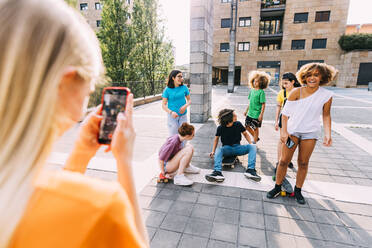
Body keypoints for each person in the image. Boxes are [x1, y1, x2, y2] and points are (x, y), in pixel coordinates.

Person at [0, 0, 148, 247]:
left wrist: (79, 156)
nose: (87, 99)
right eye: (89, 88)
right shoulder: (99, 208)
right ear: (64, 81)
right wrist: (124, 161)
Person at [267, 63, 337, 205]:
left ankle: (298, 190)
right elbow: (285, 114)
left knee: (303, 163)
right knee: (283, 161)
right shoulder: (296, 92)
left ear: (322, 77)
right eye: (309, 75)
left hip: (310, 133)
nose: (312, 78)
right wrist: (284, 132)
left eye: (316, 75)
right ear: (304, 77)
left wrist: (328, 134)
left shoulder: (326, 95)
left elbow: (326, 115)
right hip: (292, 131)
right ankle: (277, 187)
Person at [206, 109, 260, 183]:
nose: (236, 116)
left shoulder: (238, 124)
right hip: (227, 149)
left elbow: (245, 134)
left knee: (253, 146)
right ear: (229, 119)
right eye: (234, 115)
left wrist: (250, 143)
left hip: (238, 148)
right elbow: (216, 139)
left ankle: (250, 170)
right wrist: (213, 151)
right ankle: (217, 172)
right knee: (219, 149)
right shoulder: (220, 128)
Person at [274, 72, 301, 170]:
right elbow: (278, 106)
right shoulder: (282, 93)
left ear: (293, 82)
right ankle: (279, 161)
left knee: (291, 141)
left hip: (295, 120)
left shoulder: (299, 92)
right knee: (282, 140)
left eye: (286, 83)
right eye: (283, 83)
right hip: (284, 119)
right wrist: (276, 121)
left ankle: (287, 159)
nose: (284, 85)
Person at [162, 70, 191, 136]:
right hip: (172, 116)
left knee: (184, 134)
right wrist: (171, 112)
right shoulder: (167, 90)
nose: (181, 78)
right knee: (173, 136)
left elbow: (189, 100)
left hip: (183, 115)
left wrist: (185, 106)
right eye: (179, 76)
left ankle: (182, 146)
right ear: (173, 78)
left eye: (182, 76)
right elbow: (163, 105)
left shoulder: (184, 88)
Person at [244, 71, 270, 143]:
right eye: (254, 81)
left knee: (255, 128)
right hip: (250, 113)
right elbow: (250, 102)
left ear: (261, 82)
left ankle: (254, 142)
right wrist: (246, 111)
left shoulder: (261, 92)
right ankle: (256, 137)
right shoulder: (252, 91)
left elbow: (263, 104)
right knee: (246, 127)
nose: (255, 83)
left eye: (257, 82)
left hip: (256, 114)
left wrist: (261, 115)